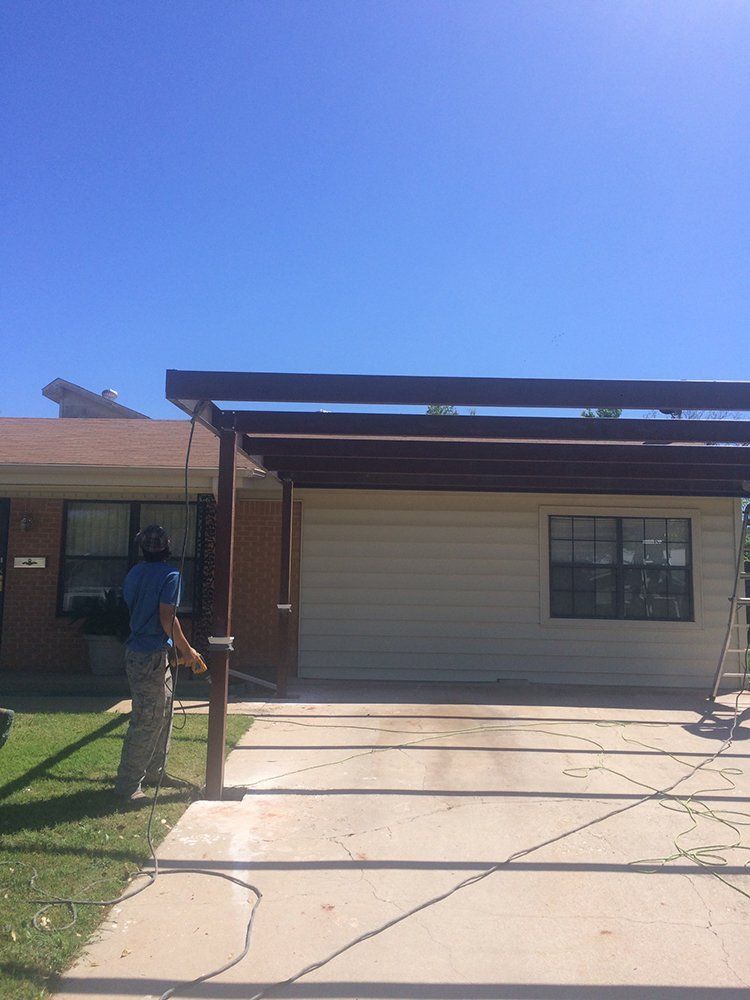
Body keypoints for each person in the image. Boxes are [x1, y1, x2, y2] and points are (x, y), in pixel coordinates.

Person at [114, 524, 201, 800]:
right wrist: (187, 651)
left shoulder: (135, 572)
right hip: (149, 657)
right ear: (168, 546)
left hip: (146, 653)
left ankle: (155, 771)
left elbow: (140, 610)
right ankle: (128, 786)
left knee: (164, 714)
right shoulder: (171, 575)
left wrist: (171, 649)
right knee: (148, 719)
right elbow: (167, 617)